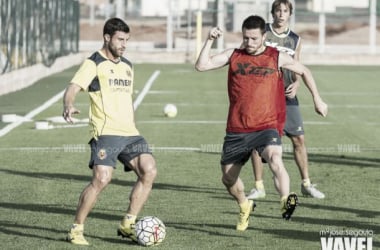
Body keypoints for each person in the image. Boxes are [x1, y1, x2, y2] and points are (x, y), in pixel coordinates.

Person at [195, 15, 327, 230]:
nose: (250, 43)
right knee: (228, 180)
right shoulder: (234, 55)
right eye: (246, 38)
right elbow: (202, 66)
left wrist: (317, 99)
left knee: (275, 159)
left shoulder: (276, 56)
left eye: (254, 39)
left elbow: (304, 70)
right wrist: (209, 40)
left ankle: (286, 200)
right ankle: (245, 205)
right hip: (237, 128)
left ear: (264, 36)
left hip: (266, 125)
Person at [63, 18, 157, 245]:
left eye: (127, 40)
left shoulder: (127, 65)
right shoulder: (93, 63)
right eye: (120, 39)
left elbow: (127, 99)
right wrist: (68, 104)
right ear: (107, 37)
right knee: (101, 179)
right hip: (106, 132)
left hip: (130, 132)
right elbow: (73, 87)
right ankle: (76, 229)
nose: (124, 44)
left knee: (149, 170)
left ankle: (128, 223)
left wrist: (133, 125)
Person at [247, 0, 326, 200]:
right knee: (258, 142)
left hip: (287, 95)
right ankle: (259, 186)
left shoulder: (295, 39)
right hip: (262, 96)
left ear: (290, 13)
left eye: (285, 11)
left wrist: (297, 83)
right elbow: (247, 53)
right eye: (278, 10)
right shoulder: (262, 31)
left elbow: (296, 64)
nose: (281, 14)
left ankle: (306, 184)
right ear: (272, 13)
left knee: (299, 139)